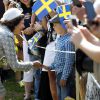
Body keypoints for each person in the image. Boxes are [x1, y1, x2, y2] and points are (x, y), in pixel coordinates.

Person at [0, 8, 42, 100]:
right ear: (14, 23)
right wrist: (32, 64)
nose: (23, 26)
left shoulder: (2, 30)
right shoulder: (6, 35)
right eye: (22, 23)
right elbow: (14, 65)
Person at [43, 15, 76, 100]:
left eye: (55, 25)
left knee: (66, 97)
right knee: (60, 97)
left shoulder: (68, 40)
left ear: (63, 25)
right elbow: (58, 57)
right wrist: (51, 66)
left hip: (66, 75)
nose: (53, 27)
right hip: (59, 73)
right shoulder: (60, 39)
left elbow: (69, 60)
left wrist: (64, 77)